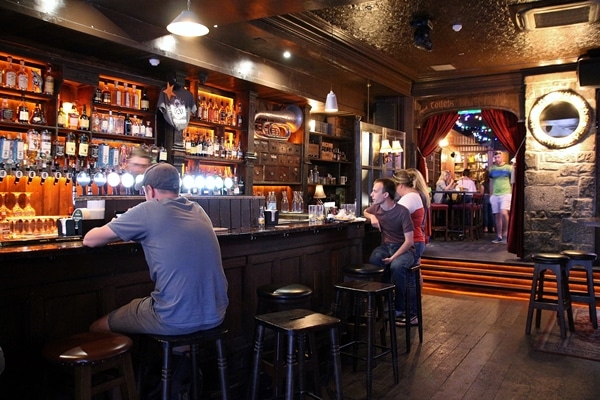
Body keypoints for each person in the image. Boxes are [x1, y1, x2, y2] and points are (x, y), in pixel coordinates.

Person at [83, 162, 229, 335]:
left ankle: (124, 361)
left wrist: (120, 223)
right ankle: (181, 358)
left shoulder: (148, 209)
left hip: (173, 318)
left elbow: (90, 240)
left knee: (97, 327)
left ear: (150, 190)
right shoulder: (198, 210)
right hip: (216, 313)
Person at [364, 178, 416, 326]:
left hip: (404, 249)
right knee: (375, 259)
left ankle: (399, 306)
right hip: (386, 247)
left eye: (375, 191)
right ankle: (386, 299)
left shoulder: (402, 212)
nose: (372, 194)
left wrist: (393, 257)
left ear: (386, 195)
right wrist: (372, 216)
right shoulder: (376, 208)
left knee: (397, 266)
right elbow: (365, 211)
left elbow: (409, 241)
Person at [393, 170, 426, 261]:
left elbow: (393, 218)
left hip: (412, 243)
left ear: (400, 185)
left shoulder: (409, 198)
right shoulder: (414, 195)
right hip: (416, 241)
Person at [489, 151, 512, 244]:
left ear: (502, 157)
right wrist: (491, 194)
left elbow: (512, 180)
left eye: (499, 157)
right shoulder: (492, 169)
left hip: (506, 193)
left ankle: (506, 233)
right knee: (497, 215)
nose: (497, 159)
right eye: (496, 157)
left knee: (504, 212)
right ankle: (499, 236)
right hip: (495, 194)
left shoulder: (508, 168)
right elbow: (491, 181)